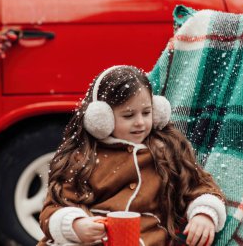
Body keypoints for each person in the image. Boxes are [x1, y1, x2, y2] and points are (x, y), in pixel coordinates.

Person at [38, 65, 226, 246]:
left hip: (148, 238)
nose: (140, 123)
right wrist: (75, 226)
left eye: (146, 113)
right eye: (128, 116)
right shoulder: (83, 158)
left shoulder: (167, 150)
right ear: (101, 118)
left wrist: (205, 214)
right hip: (94, 240)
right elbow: (54, 207)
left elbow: (200, 187)